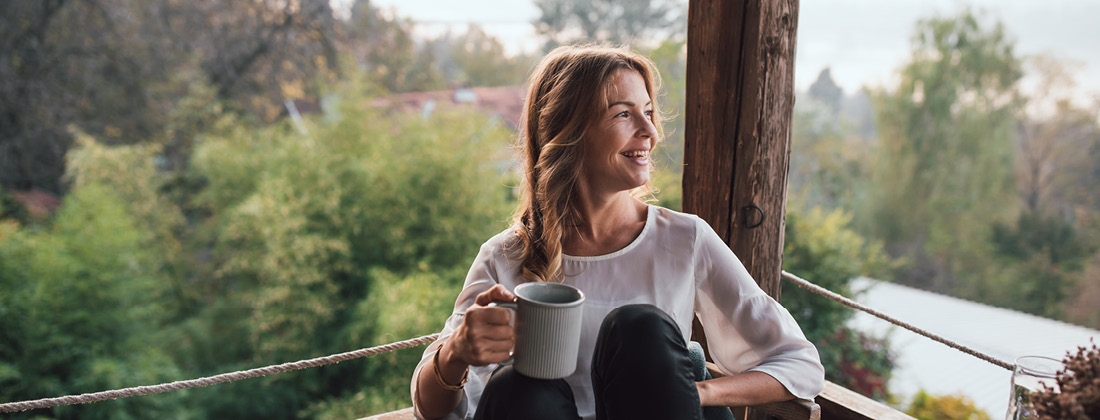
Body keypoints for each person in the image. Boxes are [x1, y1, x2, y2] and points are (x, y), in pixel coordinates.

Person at [411, 44, 825, 420]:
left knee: (639, 328)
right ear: (567, 132)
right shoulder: (506, 257)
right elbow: (430, 411)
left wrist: (689, 392)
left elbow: (798, 361)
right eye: (624, 113)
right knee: (519, 390)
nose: (649, 131)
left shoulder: (684, 239)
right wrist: (455, 353)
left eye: (648, 111)